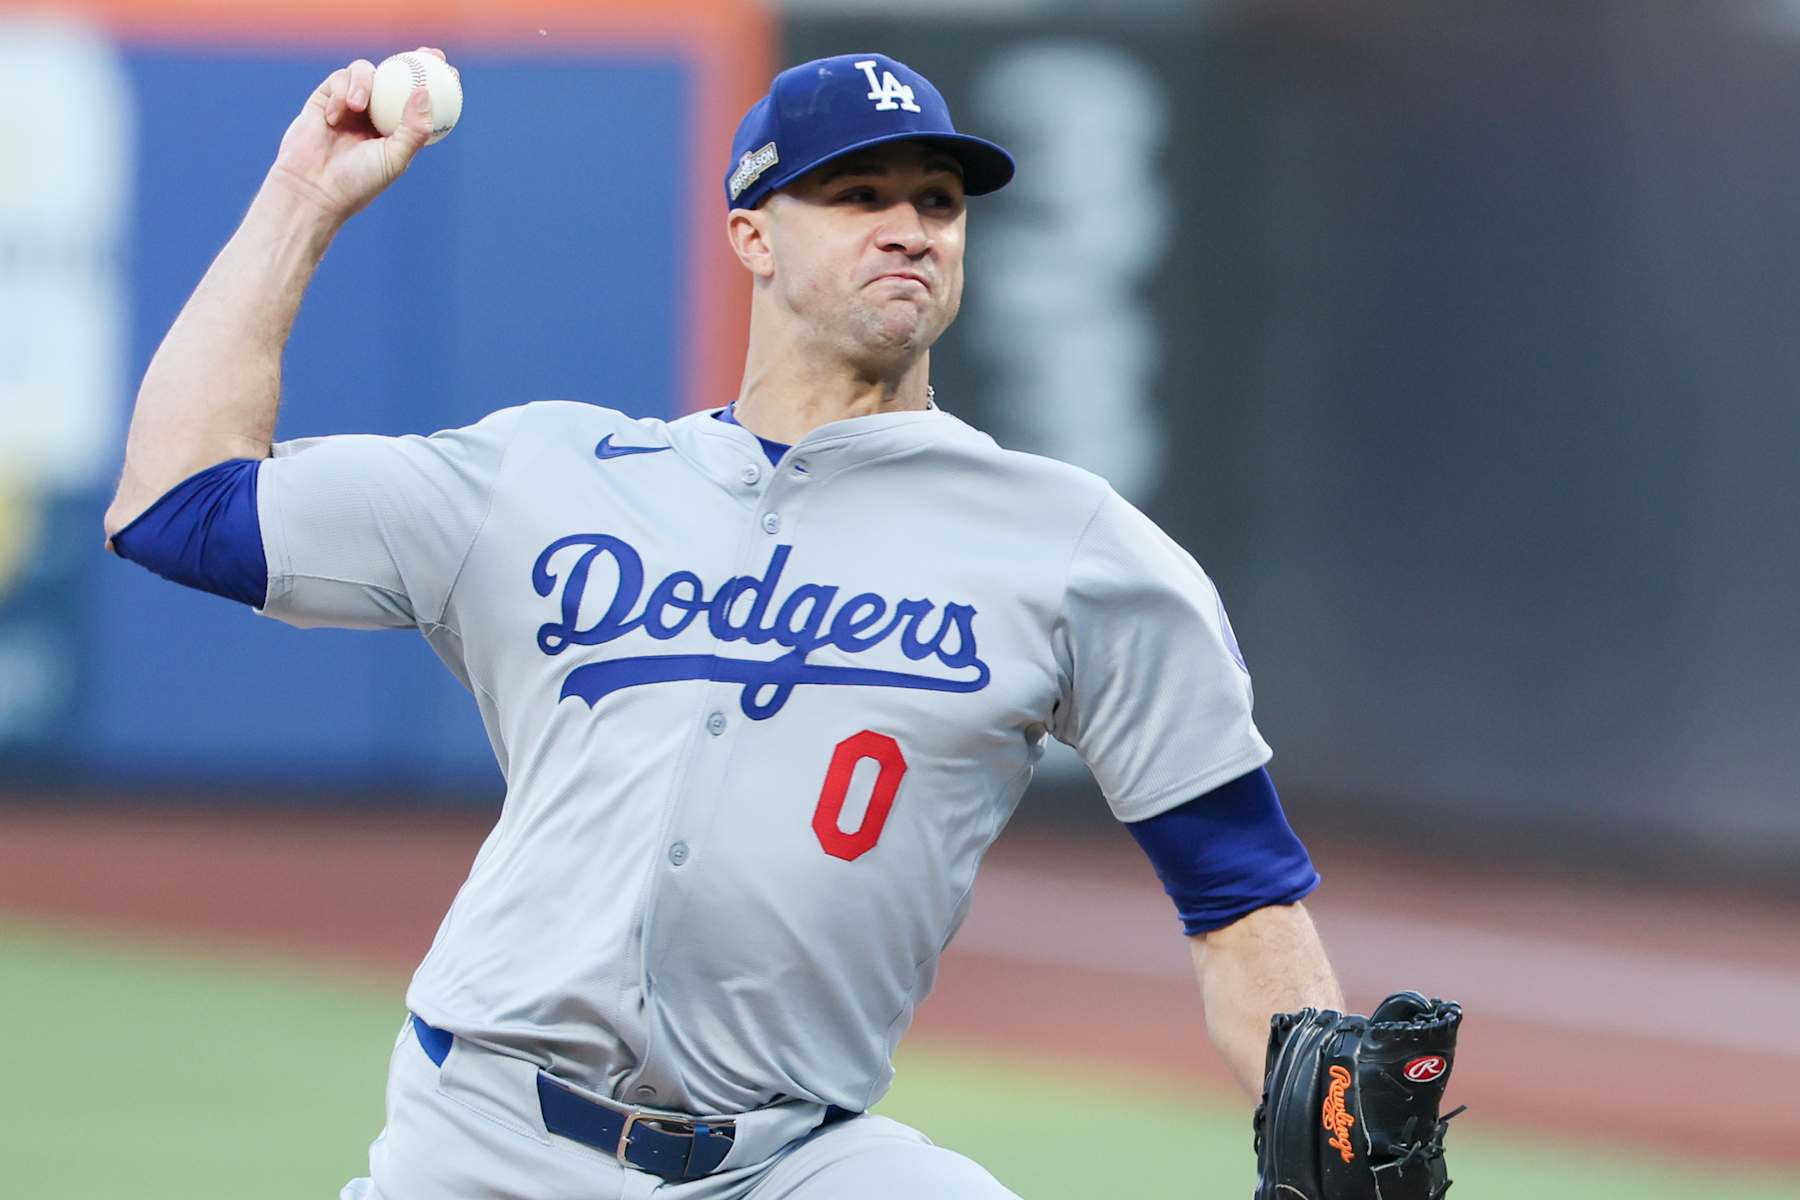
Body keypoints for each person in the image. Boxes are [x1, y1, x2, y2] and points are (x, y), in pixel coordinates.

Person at [105, 50, 1342, 1199]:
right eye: (858, 194)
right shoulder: (543, 476)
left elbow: (1241, 892)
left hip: (794, 1160)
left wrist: (1335, 1121)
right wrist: (302, 197)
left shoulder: (1073, 546)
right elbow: (177, 506)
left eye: (939, 202)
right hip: (483, 1138)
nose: (910, 227)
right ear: (751, 233)